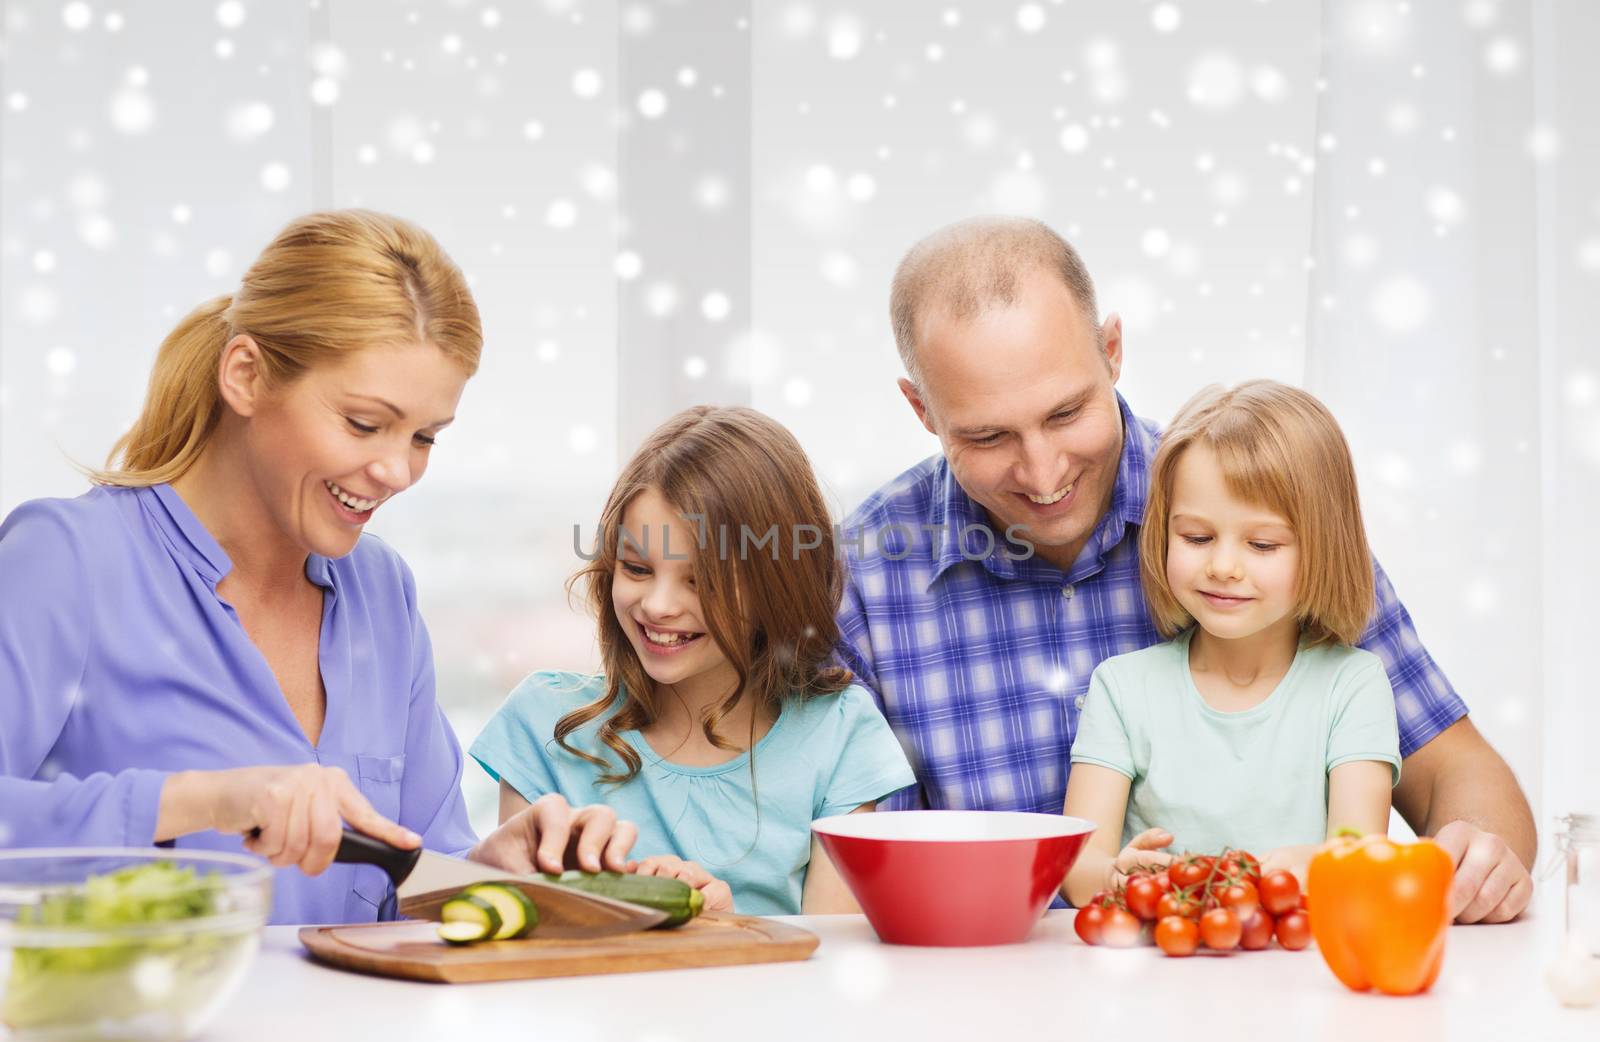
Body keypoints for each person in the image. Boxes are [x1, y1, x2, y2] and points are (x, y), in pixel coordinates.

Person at [837, 215, 1535, 923]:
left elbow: (1458, 768)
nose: (1044, 472)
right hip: (978, 999)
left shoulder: (1256, 508)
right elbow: (841, 867)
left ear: (1112, 351)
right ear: (922, 409)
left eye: (1067, 412)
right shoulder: (861, 576)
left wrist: (1477, 853)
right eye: (988, 435)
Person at [0, 210, 635, 924]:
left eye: (425, 436)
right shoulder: (69, 560)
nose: (396, 469)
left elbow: (410, 868)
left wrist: (495, 873)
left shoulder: (381, 594)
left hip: (357, 1039)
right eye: (364, 423)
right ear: (245, 375)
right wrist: (208, 800)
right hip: (133, 1033)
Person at [471, 406, 916, 915]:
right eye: (637, 568)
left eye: (701, 580)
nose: (658, 605)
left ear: (777, 586)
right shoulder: (545, 722)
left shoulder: (838, 735)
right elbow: (508, 937)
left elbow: (831, 965)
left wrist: (728, 929)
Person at [1061, 381, 1399, 906]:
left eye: (1262, 544)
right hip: (1156, 968)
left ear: (1324, 547)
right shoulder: (1122, 688)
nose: (1222, 567)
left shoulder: (1352, 685)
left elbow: (1362, 857)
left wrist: (1313, 866)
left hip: (1295, 975)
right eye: (1196, 537)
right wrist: (1115, 876)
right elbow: (1078, 868)